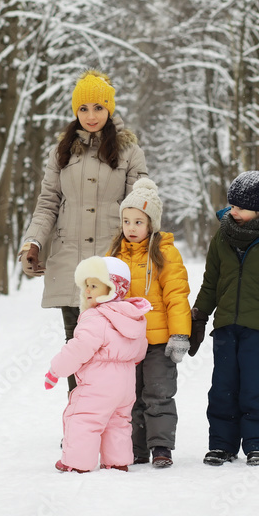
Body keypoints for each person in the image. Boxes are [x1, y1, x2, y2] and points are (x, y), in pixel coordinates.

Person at [20, 68, 148, 391]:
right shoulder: (62, 151)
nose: (91, 116)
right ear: (75, 111)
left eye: (98, 108)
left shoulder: (129, 150)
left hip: (112, 265)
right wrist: (33, 241)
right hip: (72, 266)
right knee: (77, 346)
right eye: (84, 109)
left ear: (109, 108)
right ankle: (79, 424)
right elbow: (48, 202)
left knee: (112, 350)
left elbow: (140, 204)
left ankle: (115, 425)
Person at [189, 170, 259, 467]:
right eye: (232, 205)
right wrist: (199, 316)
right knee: (223, 388)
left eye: (239, 207)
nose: (232, 211)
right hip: (226, 327)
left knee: (255, 387)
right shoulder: (222, 236)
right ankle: (222, 445)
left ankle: (258, 443)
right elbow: (211, 282)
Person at [106, 178, 191, 468]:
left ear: (151, 223)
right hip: (126, 341)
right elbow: (103, 297)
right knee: (130, 397)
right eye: (126, 221)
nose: (131, 228)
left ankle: (161, 448)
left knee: (158, 393)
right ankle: (136, 448)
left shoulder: (166, 253)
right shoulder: (113, 255)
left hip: (158, 341)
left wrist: (180, 334)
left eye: (138, 222)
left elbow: (177, 296)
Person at [43, 256, 150, 473]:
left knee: (83, 419)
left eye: (94, 285)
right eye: (86, 285)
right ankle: (117, 461)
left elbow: (79, 348)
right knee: (118, 421)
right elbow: (140, 349)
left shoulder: (95, 317)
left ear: (112, 288)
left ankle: (76, 463)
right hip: (125, 384)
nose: (88, 290)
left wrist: (56, 370)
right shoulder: (133, 316)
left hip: (97, 384)